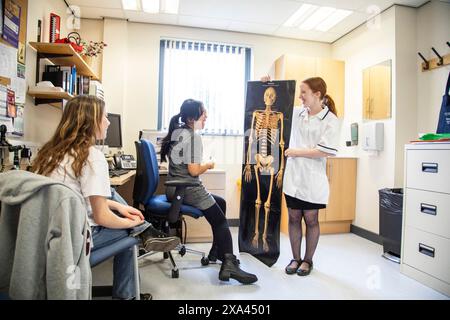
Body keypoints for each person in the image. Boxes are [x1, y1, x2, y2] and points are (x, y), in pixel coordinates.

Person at [32, 95, 181, 299]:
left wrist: (119, 208)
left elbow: (78, 196)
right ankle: (144, 234)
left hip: (48, 234)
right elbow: (102, 217)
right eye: (104, 116)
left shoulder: (49, 153)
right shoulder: (91, 155)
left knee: (116, 202)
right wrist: (130, 221)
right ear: (90, 121)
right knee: (133, 228)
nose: (108, 121)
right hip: (77, 239)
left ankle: (144, 238)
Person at [160, 99, 258, 285]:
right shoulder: (193, 137)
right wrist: (208, 165)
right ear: (191, 118)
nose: (206, 117)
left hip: (174, 189)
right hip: (187, 188)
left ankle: (216, 251)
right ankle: (229, 264)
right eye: (203, 114)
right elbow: (194, 171)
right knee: (221, 220)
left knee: (220, 202)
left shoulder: (178, 132)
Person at [262, 75, 339, 276]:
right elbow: (276, 102)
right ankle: (295, 258)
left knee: (311, 219)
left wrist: (295, 151)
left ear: (317, 94)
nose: (300, 97)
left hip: (313, 180)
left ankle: (308, 260)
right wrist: (268, 82)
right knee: (294, 217)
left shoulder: (330, 120)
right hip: (294, 178)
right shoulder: (298, 114)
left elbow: (324, 150)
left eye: (303, 92)